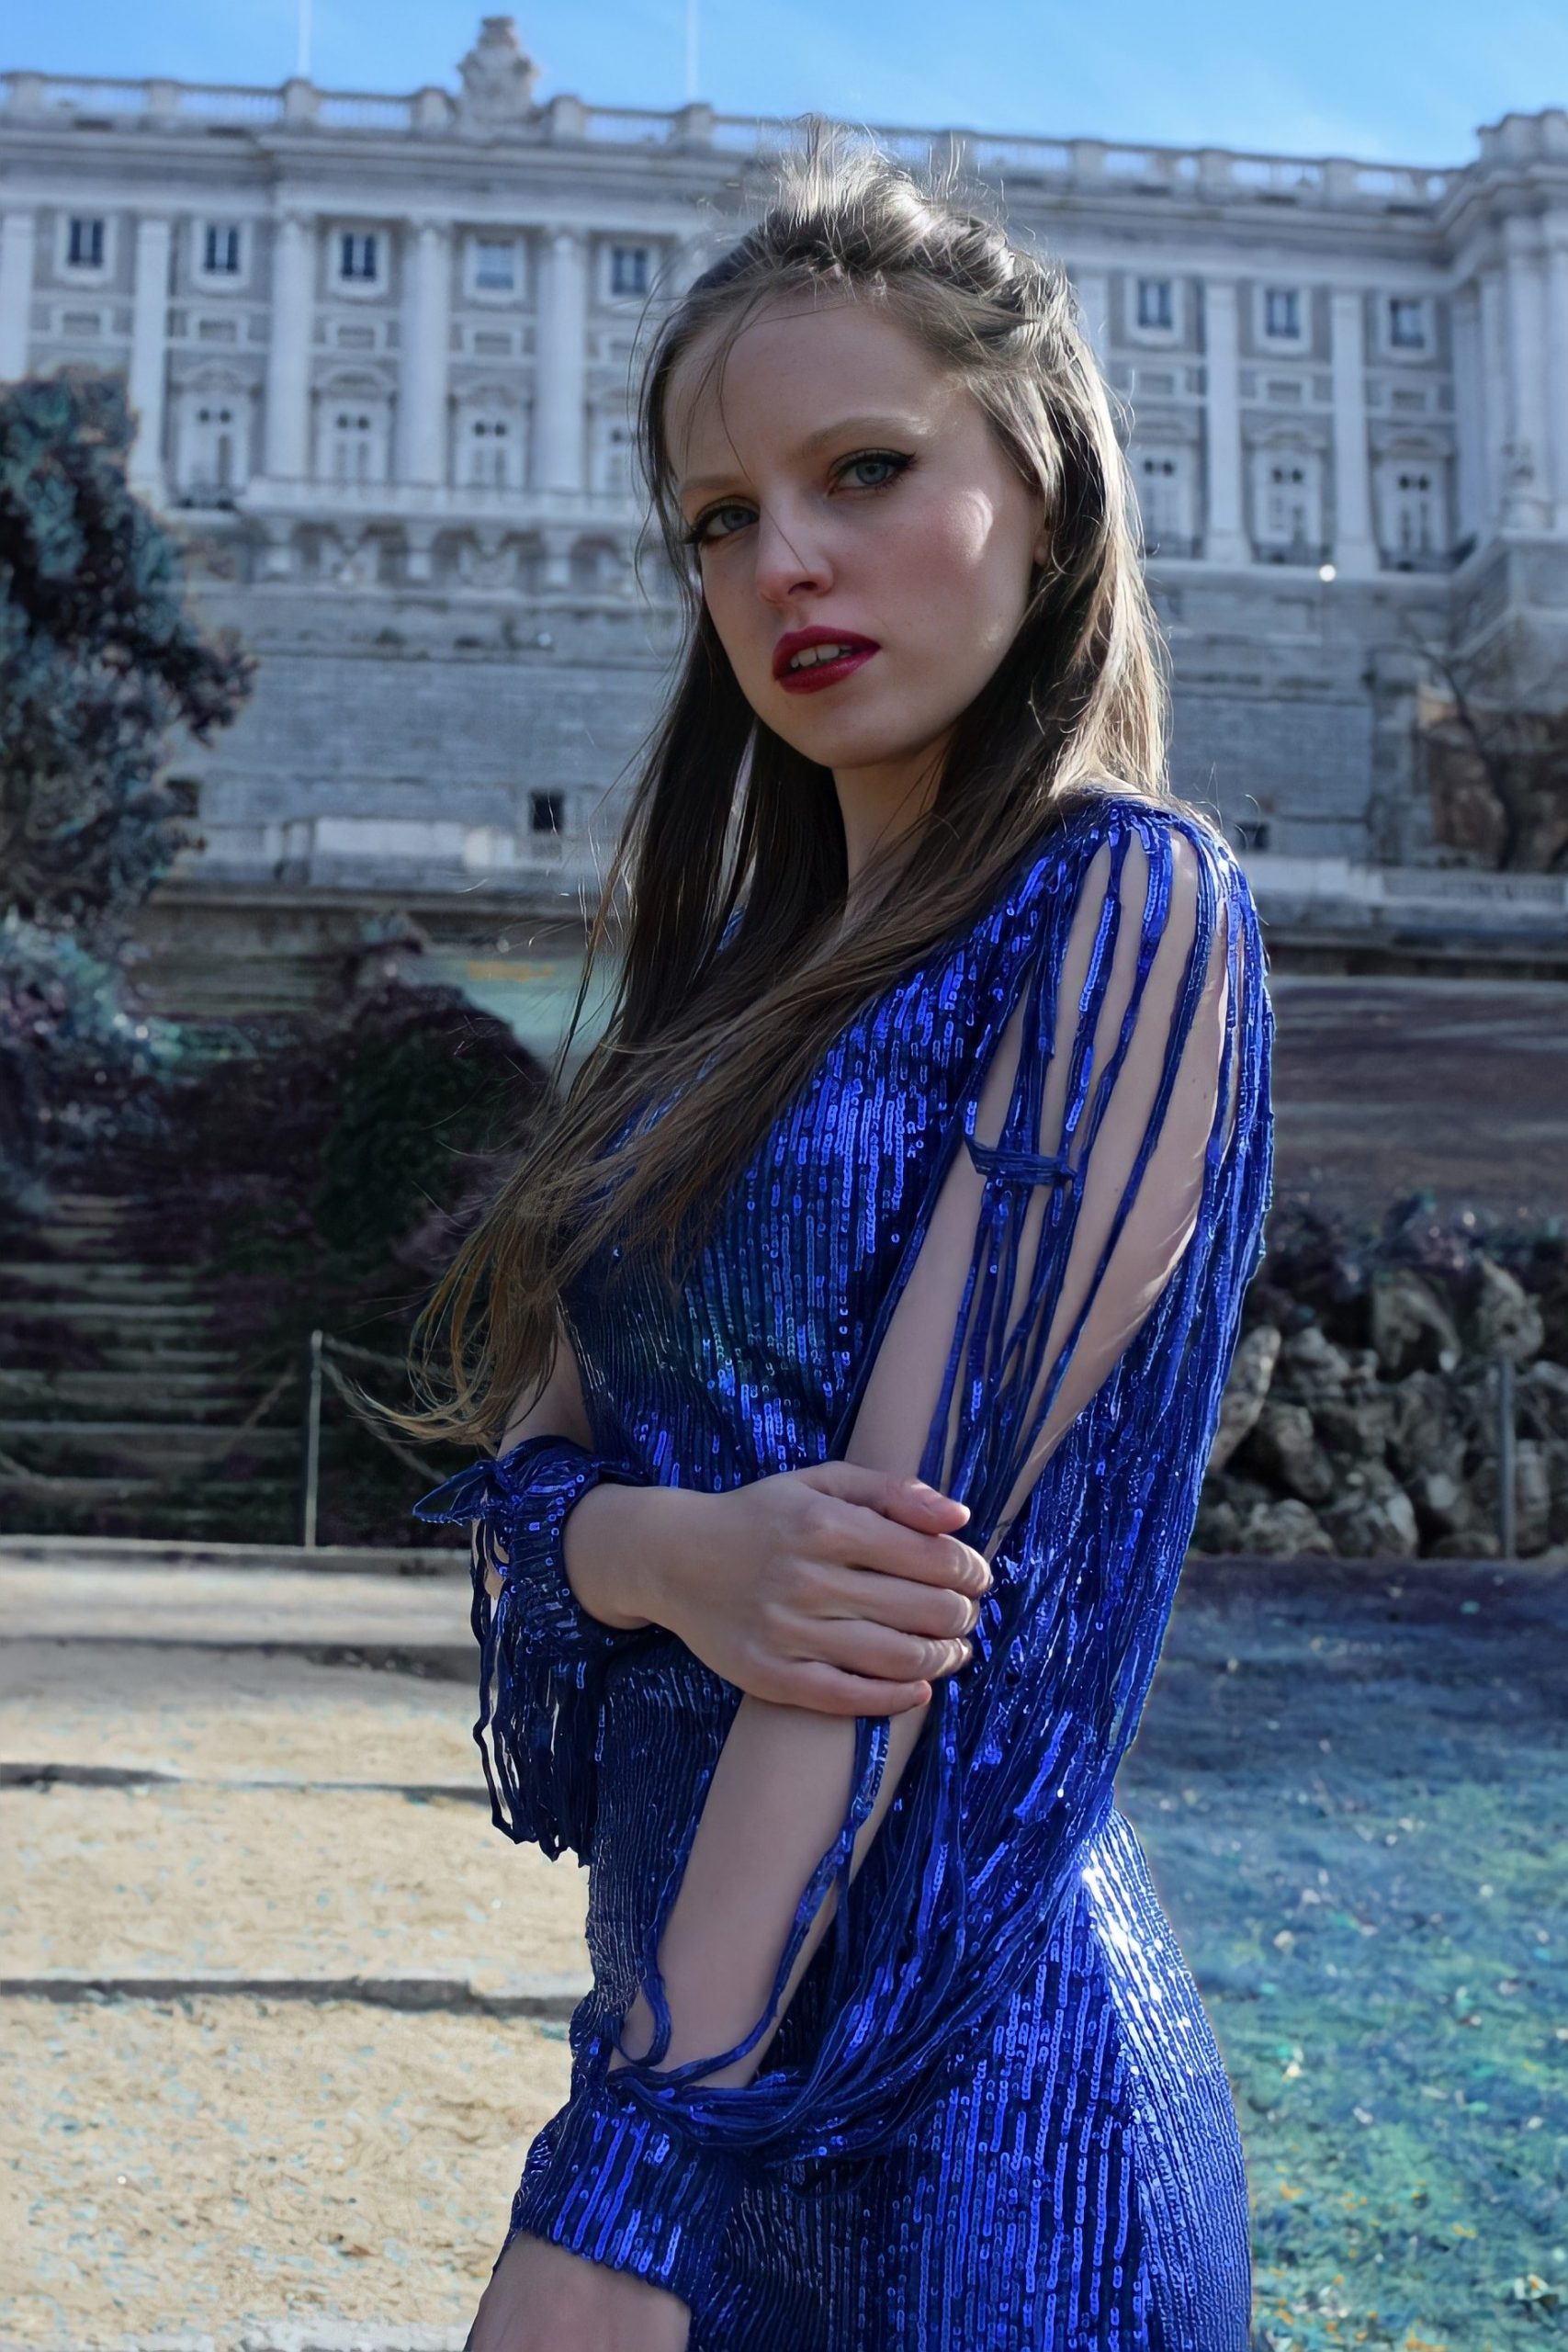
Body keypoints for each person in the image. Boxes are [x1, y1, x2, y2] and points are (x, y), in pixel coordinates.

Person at [411, 136, 1274, 2352]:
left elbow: (872, 1621)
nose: (780, 557)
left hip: (976, 2132)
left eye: (862, 469)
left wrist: (626, 2169)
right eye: (718, 517)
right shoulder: (703, 1002)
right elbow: (524, 1513)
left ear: (1044, 488)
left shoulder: (1122, 905)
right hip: (697, 2074)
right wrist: (671, 1552)